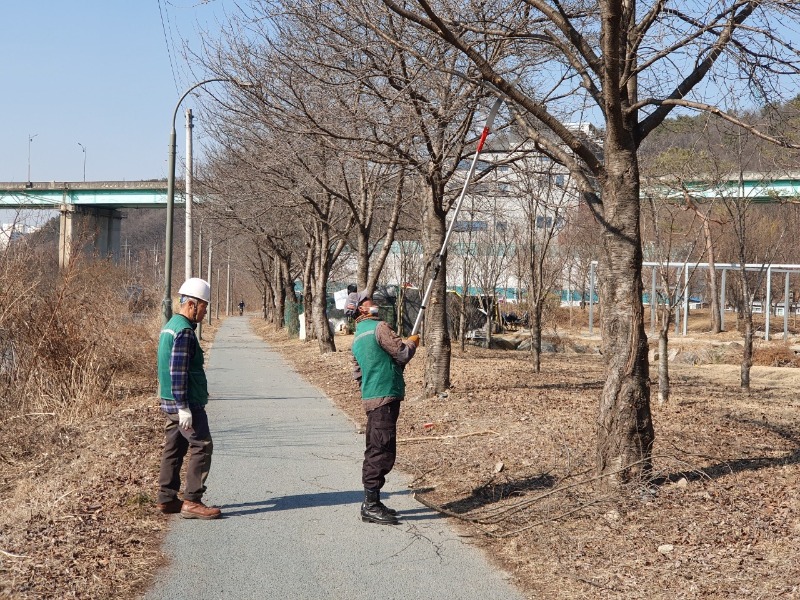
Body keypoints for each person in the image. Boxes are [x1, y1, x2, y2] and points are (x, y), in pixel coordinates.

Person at [345, 290, 419, 525]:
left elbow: (358, 374)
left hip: (372, 397)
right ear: (362, 309)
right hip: (385, 396)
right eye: (370, 301)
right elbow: (402, 353)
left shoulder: (357, 337)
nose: (374, 303)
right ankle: (371, 505)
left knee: (378, 446)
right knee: (381, 450)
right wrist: (413, 342)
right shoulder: (379, 328)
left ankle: (373, 501)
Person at [155, 277, 221, 520]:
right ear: (191, 305)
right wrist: (184, 407)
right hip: (185, 401)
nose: (205, 312)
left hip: (169, 400)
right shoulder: (183, 332)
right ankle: (192, 500)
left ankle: (166, 498)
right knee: (202, 445)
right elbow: (178, 371)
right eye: (204, 307)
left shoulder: (170, 325)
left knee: (174, 447)